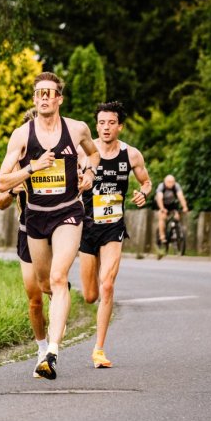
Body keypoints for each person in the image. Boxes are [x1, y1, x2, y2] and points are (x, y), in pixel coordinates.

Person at [0, 72, 100, 380]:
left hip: (68, 211)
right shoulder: (21, 135)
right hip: (34, 217)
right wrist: (31, 169)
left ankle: (51, 353)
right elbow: (0, 183)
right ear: (34, 99)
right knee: (41, 288)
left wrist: (91, 173)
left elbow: (93, 153)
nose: (44, 97)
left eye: (49, 92)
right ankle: (45, 341)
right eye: (39, 93)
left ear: (59, 99)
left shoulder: (77, 128)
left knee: (58, 277)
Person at [78, 101, 152, 369]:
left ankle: (99, 349)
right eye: (101, 123)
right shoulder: (84, 152)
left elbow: (146, 180)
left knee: (107, 285)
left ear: (120, 126)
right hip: (87, 227)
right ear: (96, 126)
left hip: (113, 226)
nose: (106, 127)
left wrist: (143, 193)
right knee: (89, 295)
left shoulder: (131, 155)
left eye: (111, 123)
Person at [0, 108, 51, 378]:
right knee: (34, 297)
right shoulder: (17, 164)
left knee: (52, 287)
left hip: (53, 231)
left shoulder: (54, 158)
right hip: (26, 230)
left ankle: (53, 347)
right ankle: (42, 349)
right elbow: (0, 202)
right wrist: (14, 189)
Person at [155, 175, 189, 244]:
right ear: (165, 181)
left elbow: (181, 197)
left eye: (173, 182)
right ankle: (162, 236)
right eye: (169, 182)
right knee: (162, 216)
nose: (171, 183)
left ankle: (176, 231)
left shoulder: (176, 186)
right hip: (162, 203)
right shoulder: (161, 186)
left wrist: (185, 207)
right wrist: (162, 208)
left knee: (177, 217)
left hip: (172, 203)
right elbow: (159, 198)